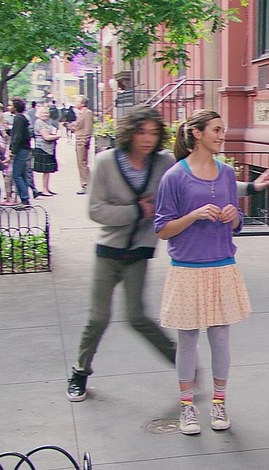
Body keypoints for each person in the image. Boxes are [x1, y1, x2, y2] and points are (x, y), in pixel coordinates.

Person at [66, 105, 178, 403]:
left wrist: (249, 188)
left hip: (139, 251)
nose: (148, 139)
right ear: (130, 132)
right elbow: (95, 210)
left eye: (153, 133)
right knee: (98, 318)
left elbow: (194, 184)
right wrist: (136, 211)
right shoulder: (106, 162)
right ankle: (80, 371)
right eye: (141, 132)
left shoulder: (164, 162)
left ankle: (182, 362)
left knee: (137, 316)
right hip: (109, 251)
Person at [154, 109, 252, 436]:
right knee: (187, 340)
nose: (222, 135)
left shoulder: (227, 173)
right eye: (217, 130)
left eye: (223, 130)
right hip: (187, 268)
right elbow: (162, 229)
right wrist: (193, 215)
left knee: (221, 339)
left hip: (222, 264)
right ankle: (187, 407)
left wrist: (233, 216)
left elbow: (238, 223)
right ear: (197, 133)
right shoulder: (174, 177)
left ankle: (219, 402)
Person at [8, 97, 32, 208]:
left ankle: (24, 199)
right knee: (22, 174)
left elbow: (17, 135)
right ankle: (25, 198)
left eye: (11, 105)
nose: (9, 107)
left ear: (15, 107)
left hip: (21, 149)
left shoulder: (18, 118)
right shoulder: (22, 118)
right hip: (25, 148)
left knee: (16, 175)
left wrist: (13, 150)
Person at [32, 106, 61, 196]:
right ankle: (44, 190)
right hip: (43, 148)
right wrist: (57, 136)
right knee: (46, 170)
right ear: (39, 114)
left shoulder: (47, 122)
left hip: (49, 148)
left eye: (47, 113)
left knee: (47, 171)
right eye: (43, 113)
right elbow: (46, 137)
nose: (46, 115)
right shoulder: (39, 123)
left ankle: (47, 188)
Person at [72, 96, 93, 195]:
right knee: (81, 163)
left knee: (82, 163)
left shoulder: (87, 113)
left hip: (82, 141)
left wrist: (84, 142)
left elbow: (88, 129)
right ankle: (87, 183)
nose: (75, 103)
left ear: (83, 103)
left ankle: (86, 184)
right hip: (78, 140)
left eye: (77, 101)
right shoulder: (80, 113)